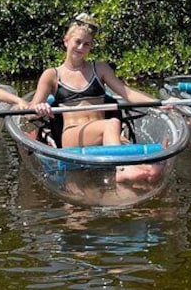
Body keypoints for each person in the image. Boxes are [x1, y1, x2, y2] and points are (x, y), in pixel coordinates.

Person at [24, 13, 159, 183]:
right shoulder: (51, 75)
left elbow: (128, 93)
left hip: (104, 134)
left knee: (143, 162)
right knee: (113, 124)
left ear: (90, 47)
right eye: (77, 42)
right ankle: (122, 170)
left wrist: (160, 104)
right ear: (66, 40)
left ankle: (142, 173)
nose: (81, 48)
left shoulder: (100, 68)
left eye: (86, 44)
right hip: (73, 136)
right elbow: (30, 113)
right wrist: (39, 108)